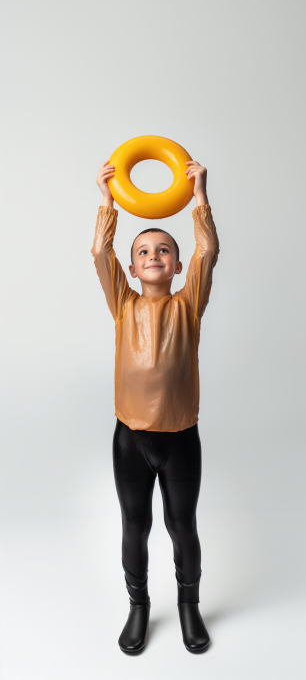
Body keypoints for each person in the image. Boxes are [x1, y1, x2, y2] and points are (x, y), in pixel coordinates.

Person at [91, 158, 220, 654]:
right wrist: (108, 203)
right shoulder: (122, 303)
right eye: (143, 251)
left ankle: (190, 604)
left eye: (163, 250)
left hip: (181, 437)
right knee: (135, 525)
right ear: (131, 266)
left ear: (177, 264)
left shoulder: (189, 304)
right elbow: (100, 251)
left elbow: (208, 249)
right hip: (132, 439)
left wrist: (200, 194)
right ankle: (138, 605)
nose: (153, 255)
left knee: (182, 523)